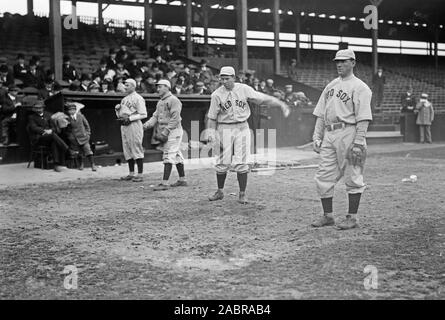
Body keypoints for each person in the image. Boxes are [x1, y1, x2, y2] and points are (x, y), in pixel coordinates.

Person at [206, 66, 290, 204]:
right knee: (222, 162)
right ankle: (220, 191)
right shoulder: (216, 95)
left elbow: (262, 98)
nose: (224, 81)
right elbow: (212, 117)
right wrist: (211, 133)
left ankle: (242, 194)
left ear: (234, 77)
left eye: (227, 78)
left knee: (241, 162)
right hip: (224, 127)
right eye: (222, 78)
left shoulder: (244, 89)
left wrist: (280, 103)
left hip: (242, 127)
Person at [311, 49, 373, 230]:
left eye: (344, 61)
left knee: (353, 175)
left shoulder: (360, 87)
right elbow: (321, 114)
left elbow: (363, 117)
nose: (339, 64)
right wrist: (317, 136)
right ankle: (328, 215)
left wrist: (359, 142)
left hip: (350, 132)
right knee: (323, 175)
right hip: (330, 133)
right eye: (337, 61)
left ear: (353, 63)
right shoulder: (331, 85)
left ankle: (352, 217)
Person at [143, 79, 187, 190]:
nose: (158, 89)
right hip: (166, 131)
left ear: (167, 87)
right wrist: (147, 125)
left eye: (160, 87)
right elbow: (155, 116)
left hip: (173, 130)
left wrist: (166, 131)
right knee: (176, 155)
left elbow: (175, 118)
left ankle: (164, 183)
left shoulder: (174, 100)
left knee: (168, 155)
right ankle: (182, 180)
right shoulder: (160, 101)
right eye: (157, 87)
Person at [27, 100, 78, 172]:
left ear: (43, 108)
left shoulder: (48, 115)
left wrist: (51, 130)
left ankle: (56, 165)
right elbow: (34, 128)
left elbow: (54, 127)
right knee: (53, 136)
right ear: (34, 109)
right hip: (39, 138)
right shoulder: (31, 117)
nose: (38, 110)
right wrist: (45, 131)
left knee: (54, 141)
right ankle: (68, 150)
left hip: (50, 137)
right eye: (37, 108)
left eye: (40, 108)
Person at [115, 78, 147, 182]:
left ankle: (140, 174)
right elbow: (121, 115)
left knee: (136, 148)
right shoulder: (124, 99)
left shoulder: (138, 98)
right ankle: (131, 173)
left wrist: (130, 118)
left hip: (134, 125)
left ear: (133, 86)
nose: (125, 87)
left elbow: (144, 114)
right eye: (125, 85)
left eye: (127, 85)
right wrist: (117, 110)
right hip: (124, 125)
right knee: (127, 149)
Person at [65, 103, 97, 171]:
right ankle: (81, 165)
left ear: (75, 110)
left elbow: (87, 126)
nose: (71, 111)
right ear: (68, 111)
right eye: (70, 110)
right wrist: (71, 137)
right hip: (75, 139)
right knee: (79, 153)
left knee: (88, 151)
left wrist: (88, 134)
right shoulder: (67, 119)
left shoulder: (81, 116)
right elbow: (67, 130)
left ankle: (93, 165)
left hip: (84, 137)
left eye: (73, 110)